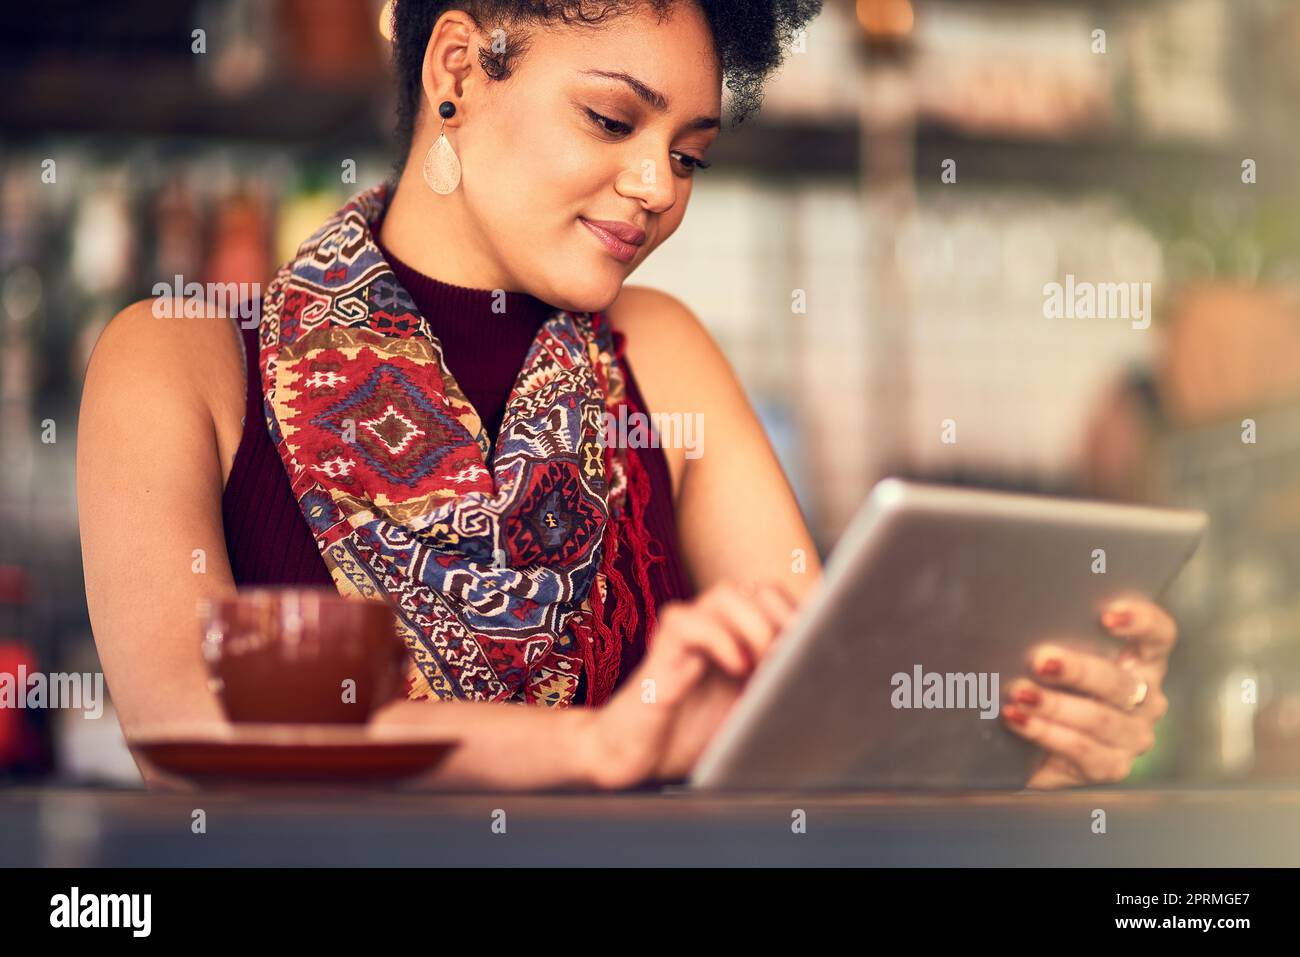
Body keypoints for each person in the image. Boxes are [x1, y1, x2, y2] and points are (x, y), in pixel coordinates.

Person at [78, 0, 1174, 791]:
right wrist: (597, 748)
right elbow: (187, 732)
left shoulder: (660, 353)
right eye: (612, 121)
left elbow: (815, 721)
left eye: (688, 154)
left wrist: (1016, 738)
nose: (655, 188)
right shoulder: (179, 359)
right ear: (455, 68)